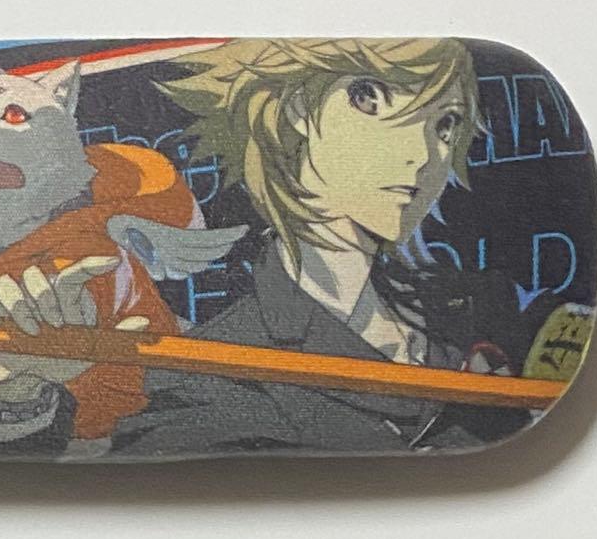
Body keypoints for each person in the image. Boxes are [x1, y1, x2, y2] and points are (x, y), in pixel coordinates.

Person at [110, 37, 543, 456]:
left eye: (445, 125)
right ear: (298, 106)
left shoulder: (479, 307)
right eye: (369, 99)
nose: (423, 154)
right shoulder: (209, 375)